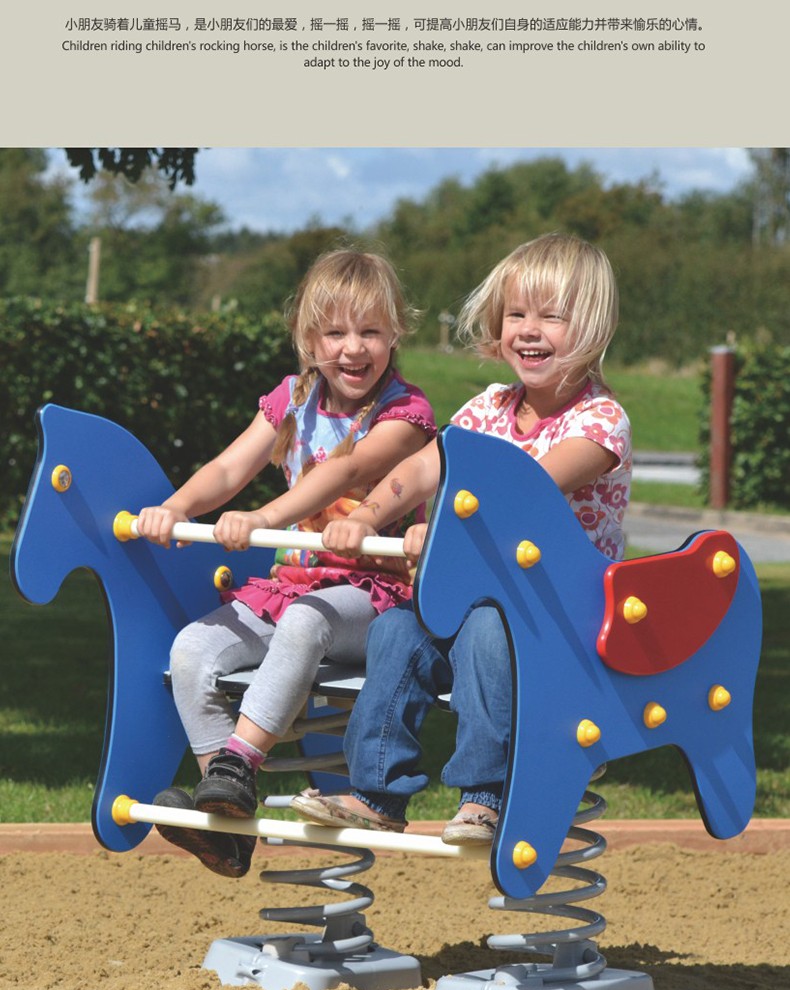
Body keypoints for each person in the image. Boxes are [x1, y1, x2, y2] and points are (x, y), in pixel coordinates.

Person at [291, 232, 631, 844]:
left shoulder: (600, 421)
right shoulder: (486, 410)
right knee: (396, 631)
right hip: (477, 598)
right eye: (516, 315)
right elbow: (425, 467)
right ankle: (376, 793)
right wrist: (367, 515)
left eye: (552, 316)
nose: (529, 330)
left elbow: (527, 493)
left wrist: (444, 530)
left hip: (559, 617)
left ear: (592, 327)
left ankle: (486, 796)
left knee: (484, 632)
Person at [136, 249, 436, 875]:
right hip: (294, 584)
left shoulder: (405, 413)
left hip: (372, 597)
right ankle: (228, 812)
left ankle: (237, 764)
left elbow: (347, 470)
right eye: (335, 333)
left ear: (395, 334)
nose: (353, 348)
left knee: (306, 620)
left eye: (370, 331)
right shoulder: (292, 401)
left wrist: (264, 517)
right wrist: (175, 506)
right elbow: (229, 467)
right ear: (307, 338)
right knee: (192, 648)